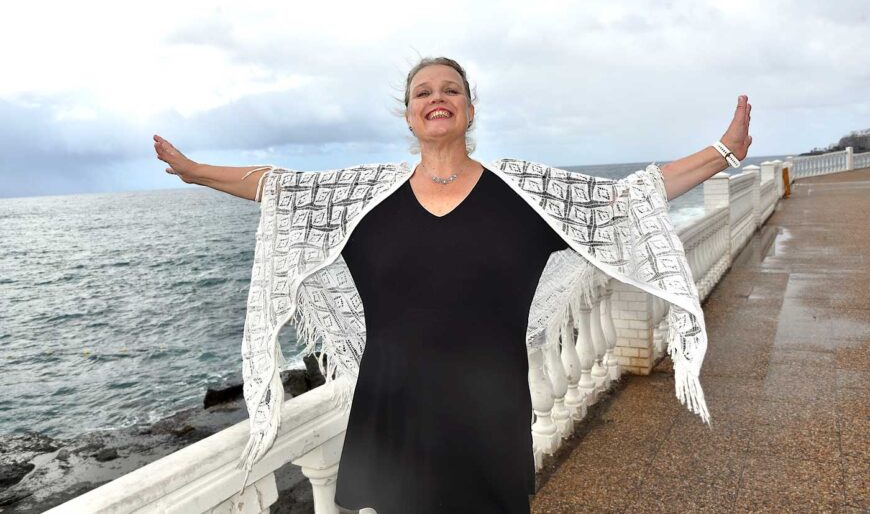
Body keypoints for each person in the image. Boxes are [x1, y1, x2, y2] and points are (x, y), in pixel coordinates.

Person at [152, 57, 751, 513]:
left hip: (489, 415)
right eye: (423, 92)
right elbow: (276, 188)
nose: (437, 98)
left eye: (450, 90)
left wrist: (723, 152)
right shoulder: (363, 199)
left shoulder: (524, 194)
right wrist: (196, 172)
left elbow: (625, 201)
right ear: (409, 114)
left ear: (469, 108)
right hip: (395, 414)